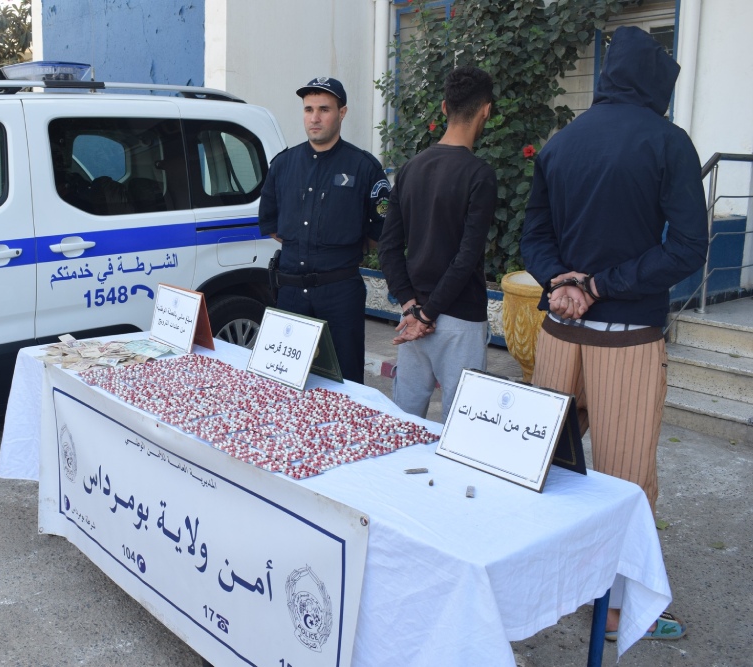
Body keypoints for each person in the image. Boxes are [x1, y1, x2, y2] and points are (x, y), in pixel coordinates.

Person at [522, 26, 708, 642]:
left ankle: (539, 581)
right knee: (626, 479)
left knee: (544, 463)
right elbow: (689, 247)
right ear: (654, 80)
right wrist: (600, 285)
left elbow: (533, 237)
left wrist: (563, 282)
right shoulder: (668, 141)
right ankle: (619, 610)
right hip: (626, 338)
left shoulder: (561, 142)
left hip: (558, 329)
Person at [378, 66, 496, 421]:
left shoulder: (410, 169)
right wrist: (426, 313)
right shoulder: (480, 174)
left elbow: (388, 247)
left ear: (444, 107)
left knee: (405, 424)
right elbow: (467, 257)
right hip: (458, 320)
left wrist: (411, 306)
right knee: (461, 429)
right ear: (486, 111)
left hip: (413, 316)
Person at [258, 77, 390, 384]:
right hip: (290, 293)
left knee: (346, 382)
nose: (314, 118)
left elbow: (379, 231)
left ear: (342, 113)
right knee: (284, 380)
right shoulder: (283, 165)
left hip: (340, 294)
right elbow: (274, 226)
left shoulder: (364, 167)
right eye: (308, 109)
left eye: (324, 109)